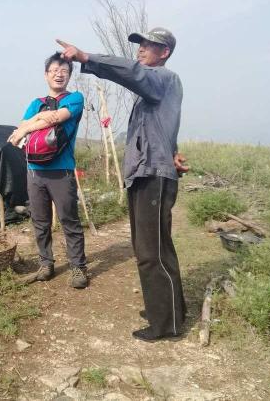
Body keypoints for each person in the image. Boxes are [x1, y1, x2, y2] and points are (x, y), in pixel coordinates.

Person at [55, 28, 190, 341]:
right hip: (147, 173)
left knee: (152, 251)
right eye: (140, 44)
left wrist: (87, 58)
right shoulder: (153, 90)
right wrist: (172, 152)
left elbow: (133, 73)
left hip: (152, 176)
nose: (141, 49)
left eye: (149, 45)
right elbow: (162, 130)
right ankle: (167, 310)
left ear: (164, 52)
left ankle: (165, 324)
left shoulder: (163, 78)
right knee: (152, 247)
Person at [8, 52, 88, 289]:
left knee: (69, 220)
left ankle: (78, 267)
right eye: (54, 70)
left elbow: (57, 118)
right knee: (40, 221)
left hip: (62, 170)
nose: (59, 74)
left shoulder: (75, 98)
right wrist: (40, 116)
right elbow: (23, 124)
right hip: (34, 171)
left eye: (64, 70)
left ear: (69, 75)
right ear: (46, 75)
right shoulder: (37, 103)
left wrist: (28, 128)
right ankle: (46, 264)